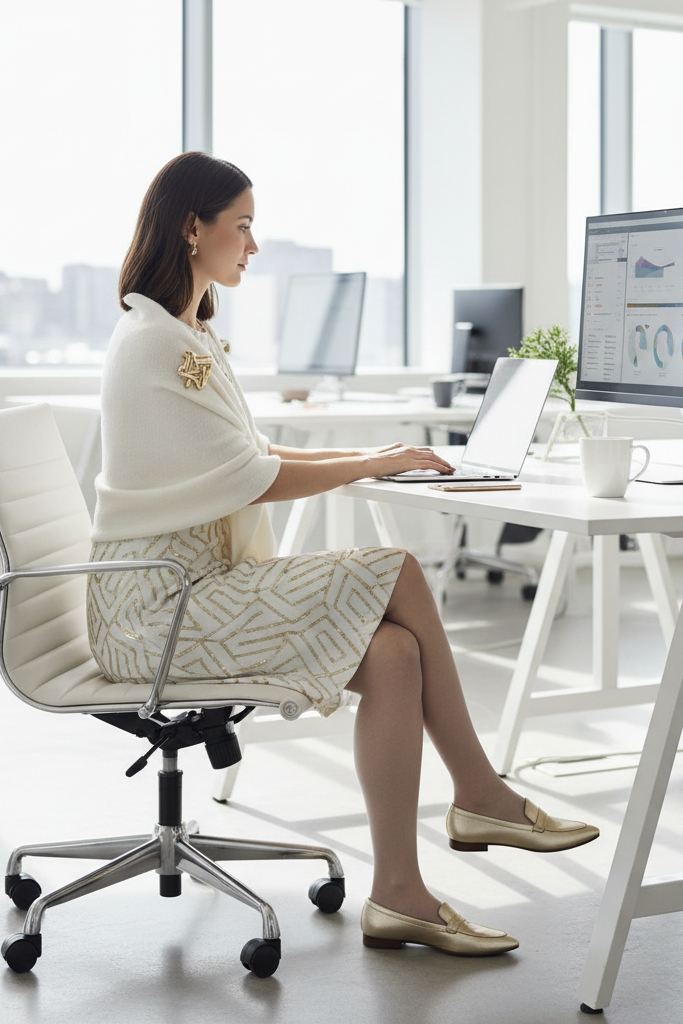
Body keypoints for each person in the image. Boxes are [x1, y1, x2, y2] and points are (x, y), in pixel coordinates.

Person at [87, 151, 599, 959]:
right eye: (243, 224)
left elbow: (244, 452)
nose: (253, 244)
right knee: (395, 568)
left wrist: (373, 450)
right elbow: (252, 478)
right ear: (194, 228)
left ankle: (398, 893)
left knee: (394, 654)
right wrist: (372, 462)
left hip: (195, 587)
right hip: (158, 609)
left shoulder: (181, 333)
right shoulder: (155, 343)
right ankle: (479, 792)